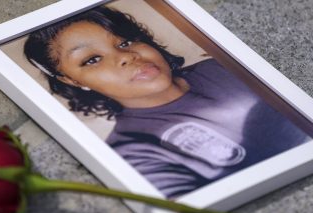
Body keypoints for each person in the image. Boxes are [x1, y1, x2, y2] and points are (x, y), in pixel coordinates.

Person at [24, 6, 310, 199]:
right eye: (92, 59)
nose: (126, 56)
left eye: (124, 42)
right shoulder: (133, 153)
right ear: (73, 81)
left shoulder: (222, 66)